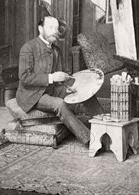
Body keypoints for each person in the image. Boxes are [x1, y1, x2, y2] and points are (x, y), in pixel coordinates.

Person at [16, 16, 103, 145]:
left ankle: (105, 127)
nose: (55, 31)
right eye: (50, 27)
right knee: (59, 104)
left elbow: (61, 77)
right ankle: (90, 140)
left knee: (87, 93)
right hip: (32, 95)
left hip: (52, 90)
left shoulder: (56, 50)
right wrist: (51, 78)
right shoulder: (28, 48)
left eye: (56, 28)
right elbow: (24, 77)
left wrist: (67, 85)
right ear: (40, 29)